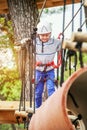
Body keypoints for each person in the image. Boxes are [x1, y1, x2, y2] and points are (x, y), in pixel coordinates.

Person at [35, 20, 62, 108]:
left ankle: (52, 108)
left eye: (47, 35)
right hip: (39, 71)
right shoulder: (34, 42)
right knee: (38, 91)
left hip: (50, 70)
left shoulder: (55, 42)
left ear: (50, 33)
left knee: (51, 89)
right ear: (38, 34)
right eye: (42, 35)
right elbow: (27, 43)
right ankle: (37, 108)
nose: (45, 37)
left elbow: (63, 43)